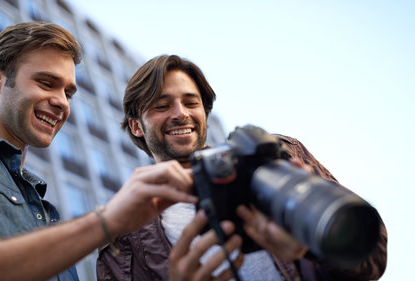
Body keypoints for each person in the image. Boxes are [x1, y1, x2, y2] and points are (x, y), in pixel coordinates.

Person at [96, 54, 387, 281]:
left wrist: (313, 244)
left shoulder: (279, 158)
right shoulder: (124, 231)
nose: (180, 114)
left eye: (191, 102)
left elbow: (373, 256)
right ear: (136, 126)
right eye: (161, 106)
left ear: (204, 113)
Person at [0, 23, 199, 281]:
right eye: (46, 83)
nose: (62, 102)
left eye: (68, 93)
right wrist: (104, 223)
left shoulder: (41, 204)